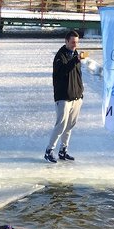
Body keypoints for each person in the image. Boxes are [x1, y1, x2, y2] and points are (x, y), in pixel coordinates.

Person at [45, 30, 85, 164]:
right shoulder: (60, 56)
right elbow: (62, 71)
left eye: (77, 42)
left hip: (76, 97)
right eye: (73, 42)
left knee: (69, 126)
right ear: (66, 41)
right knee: (60, 125)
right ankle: (49, 150)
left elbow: (77, 75)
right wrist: (75, 60)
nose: (75, 45)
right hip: (63, 97)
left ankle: (63, 150)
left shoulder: (74, 55)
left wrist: (80, 92)